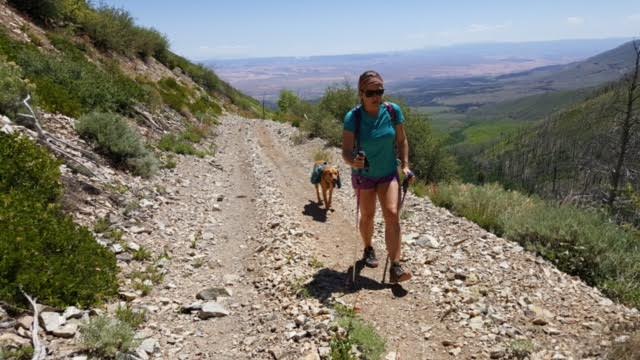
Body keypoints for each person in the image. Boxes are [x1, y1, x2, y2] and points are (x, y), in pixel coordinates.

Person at [342, 70, 414, 283]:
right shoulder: (353, 117)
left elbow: (402, 141)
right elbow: (346, 151)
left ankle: (396, 266)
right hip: (364, 175)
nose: (376, 97)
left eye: (380, 91)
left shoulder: (392, 111)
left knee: (392, 213)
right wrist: (352, 161)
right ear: (361, 93)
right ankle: (368, 248)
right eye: (371, 92)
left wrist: (406, 166)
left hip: (388, 173)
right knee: (368, 215)